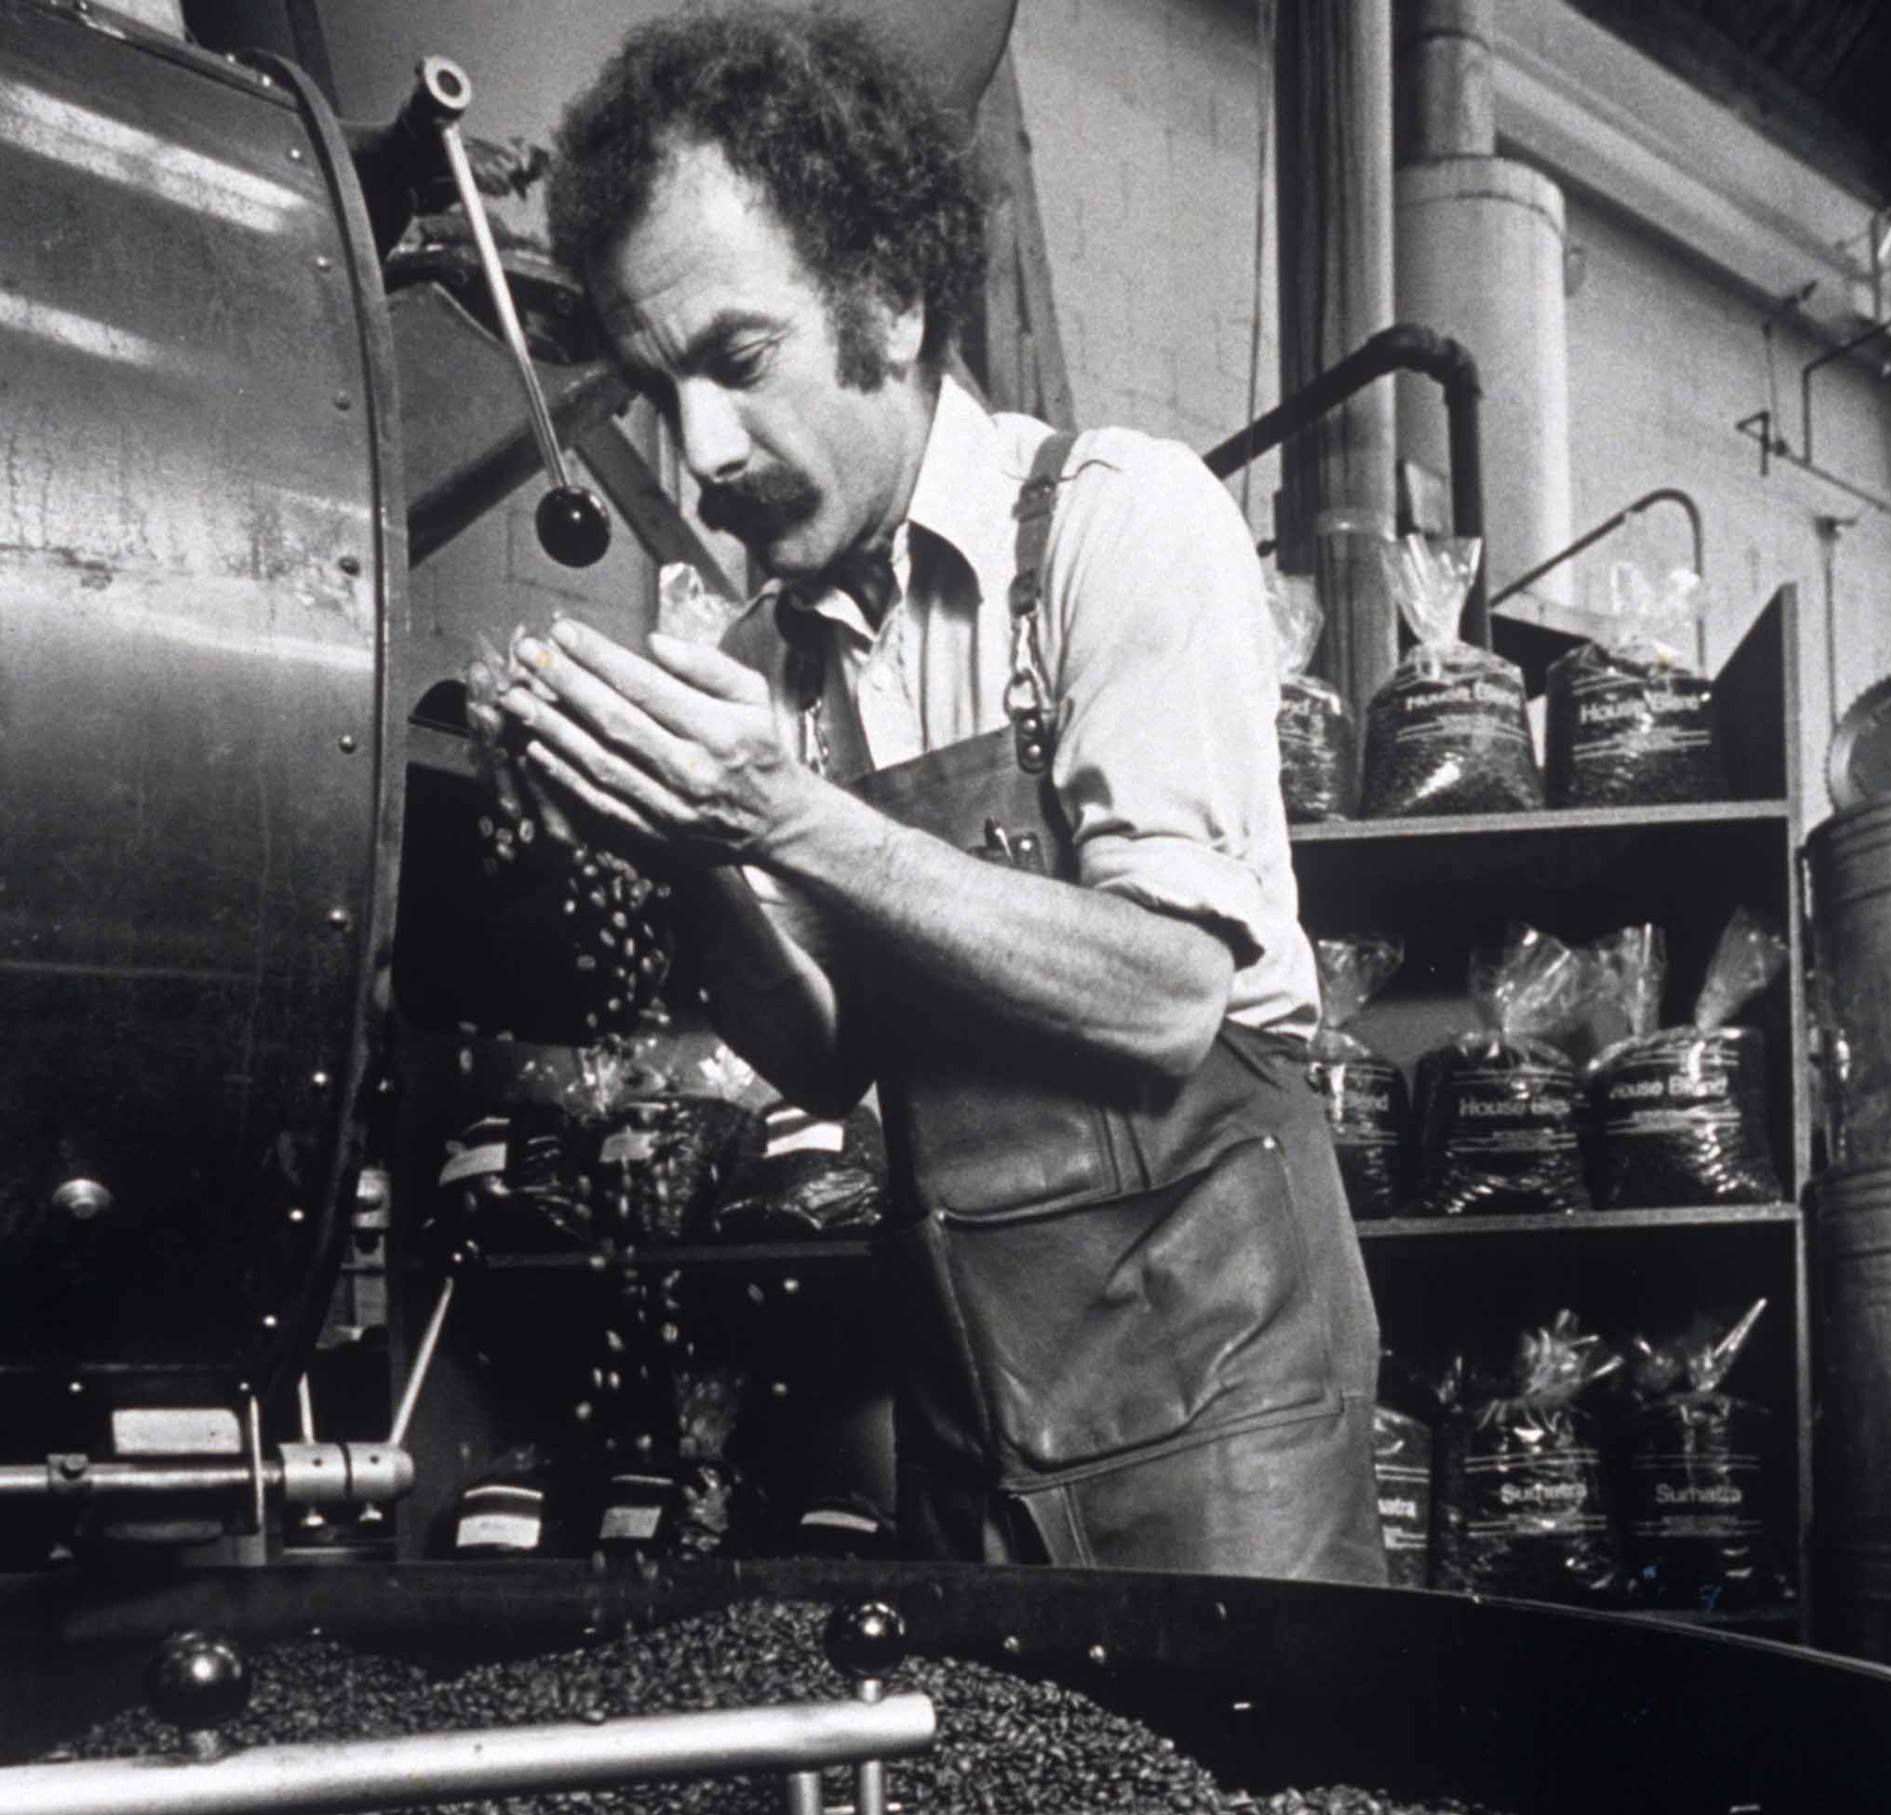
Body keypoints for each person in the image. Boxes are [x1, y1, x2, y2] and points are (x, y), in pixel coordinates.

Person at [485, 5, 1385, 1583]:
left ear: (891, 301)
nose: (700, 449)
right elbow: (829, 1056)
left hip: (1226, 1432)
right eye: (654, 387)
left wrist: (777, 813)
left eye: (737, 361)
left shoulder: (1115, 524)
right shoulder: (777, 656)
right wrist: (684, 849)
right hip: (970, 1427)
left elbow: (1172, 996)